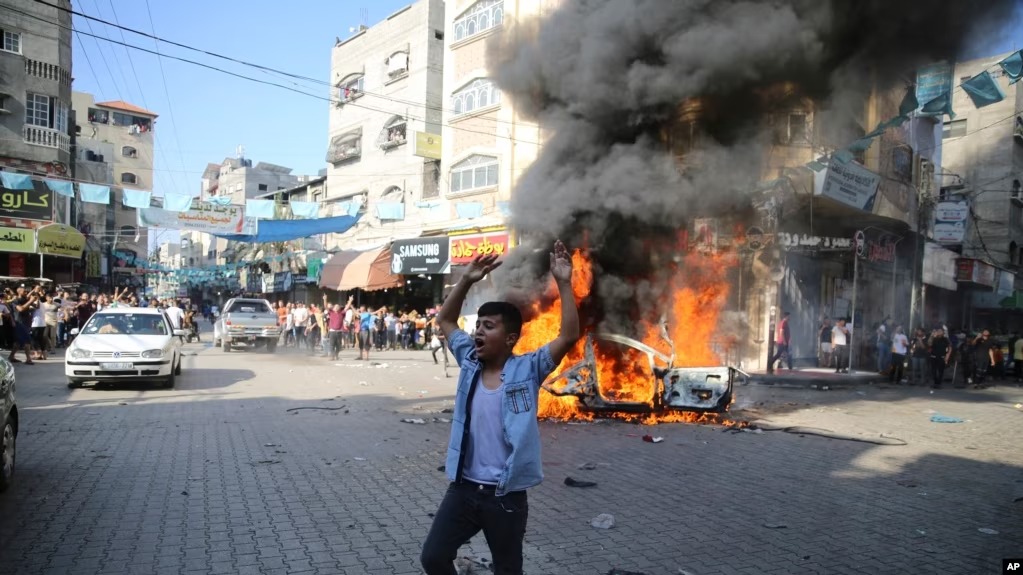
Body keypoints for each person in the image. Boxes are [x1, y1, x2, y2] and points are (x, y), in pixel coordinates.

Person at [420, 241, 580, 575]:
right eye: (478, 325)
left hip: (505, 496)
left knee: (507, 569)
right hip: (463, 489)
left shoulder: (528, 369)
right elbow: (446, 321)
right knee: (433, 557)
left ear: (510, 339)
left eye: (488, 326)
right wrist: (466, 280)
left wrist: (564, 283)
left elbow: (567, 336)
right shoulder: (469, 361)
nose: (478, 331)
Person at [9, 286, 37, 365]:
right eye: (24, 291)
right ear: (19, 292)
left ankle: (11, 356)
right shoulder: (15, 301)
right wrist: (30, 301)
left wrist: (35, 300)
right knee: (27, 341)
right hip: (19, 322)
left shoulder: (26, 299)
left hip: (26, 323)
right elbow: (20, 309)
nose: (26, 293)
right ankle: (28, 359)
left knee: (18, 342)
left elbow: (36, 307)